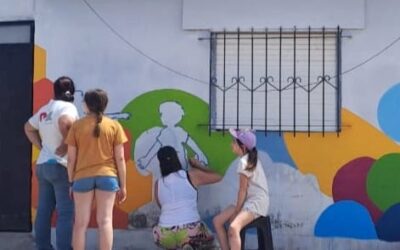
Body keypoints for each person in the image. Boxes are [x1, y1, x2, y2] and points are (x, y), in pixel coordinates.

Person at [65, 89, 127, 250]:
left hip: (82, 177)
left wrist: (71, 182)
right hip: (108, 176)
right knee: (105, 221)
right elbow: (120, 158)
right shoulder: (114, 125)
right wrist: (123, 185)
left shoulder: (77, 126)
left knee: (80, 223)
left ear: (87, 105)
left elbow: (71, 159)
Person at [24, 76, 79, 250]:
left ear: (55, 91)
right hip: (60, 166)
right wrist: (65, 144)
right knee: (65, 212)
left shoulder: (45, 109)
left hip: (43, 165)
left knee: (44, 210)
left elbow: (27, 127)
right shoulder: (68, 107)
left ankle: (43, 246)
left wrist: (40, 146)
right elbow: (65, 121)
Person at [152, 146, 221, 250]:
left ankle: (181, 243)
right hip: (191, 230)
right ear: (176, 158)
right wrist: (198, 166)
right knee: (212, 246)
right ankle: (186, 243)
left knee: (170, 237)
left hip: (163, 234)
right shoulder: (190, 175)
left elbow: (161, 206)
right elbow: (218, 176)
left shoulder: (158, 183)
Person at [213, 128, 269, 250]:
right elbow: (243, 192)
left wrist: (236, 212)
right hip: (246, 200)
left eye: (234, 141)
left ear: (242, 147)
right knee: (217, 221)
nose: (231, 144)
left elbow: (242, 190)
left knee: (233, 228)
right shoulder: (246, 159)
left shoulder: (245, 161)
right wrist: (237, 210)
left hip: (256, 203)